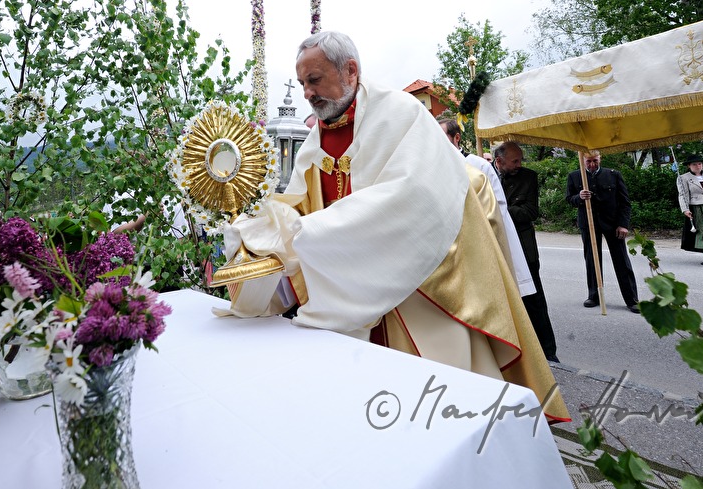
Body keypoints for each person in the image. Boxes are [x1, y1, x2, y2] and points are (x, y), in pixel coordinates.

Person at [220, 30, 568, 421]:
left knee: (432, 411)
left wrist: (309, 235)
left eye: (314, 80)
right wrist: (257, 237)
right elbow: (297, 206)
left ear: (350, 71)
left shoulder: (400, 113)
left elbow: (415, 196)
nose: (307, 92)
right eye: (302, 83)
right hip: (346, 287)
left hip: (415, 291)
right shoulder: (317, 137)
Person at [437, 119, 537, 300]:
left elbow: (497, 207)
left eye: (441, 136)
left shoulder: (477, 165)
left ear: (456, 137)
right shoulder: (434, 167)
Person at [494, 141, 560, 363]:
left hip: (524, 247)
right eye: (515, 161)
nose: (519, 164)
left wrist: (499, 209)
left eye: (520, 159)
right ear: (499, 161)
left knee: (534, 299)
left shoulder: (528, 177)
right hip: (498, 247)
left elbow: (530, 211)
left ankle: (548, 350)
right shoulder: (486, 176)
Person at [565, 150, 641, 313]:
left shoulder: (613, 175)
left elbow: (625, 203)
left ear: (600, 159)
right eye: (588, 161)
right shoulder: (575, 176)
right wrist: (579, 197)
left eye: (595, 161)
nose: (592, 165)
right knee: (592, 260)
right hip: (588, 224)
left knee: (621, 260)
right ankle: (594, 295)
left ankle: (632, 299)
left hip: (613, 224)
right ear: (583, 160)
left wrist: (623, 224)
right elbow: (569, 199)